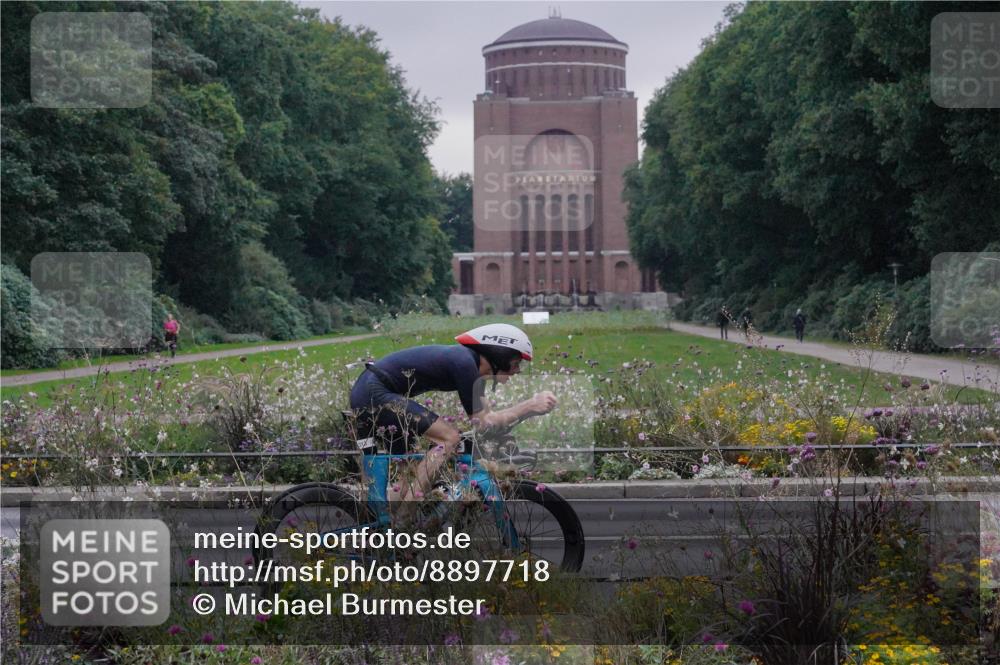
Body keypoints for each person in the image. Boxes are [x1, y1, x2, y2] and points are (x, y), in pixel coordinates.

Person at [349, 323, 557, 510]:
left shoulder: (470, 368)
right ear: (499, 354)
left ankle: (389, 532)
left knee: (408, 477)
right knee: (448, 437)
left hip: (371, 392)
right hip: (373, 393)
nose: (518, 370)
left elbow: (487, 421)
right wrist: (529, 405)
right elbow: (484, 421)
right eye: (515, 362)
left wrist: (527, 411)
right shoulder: (464, 362)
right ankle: (406, 516)